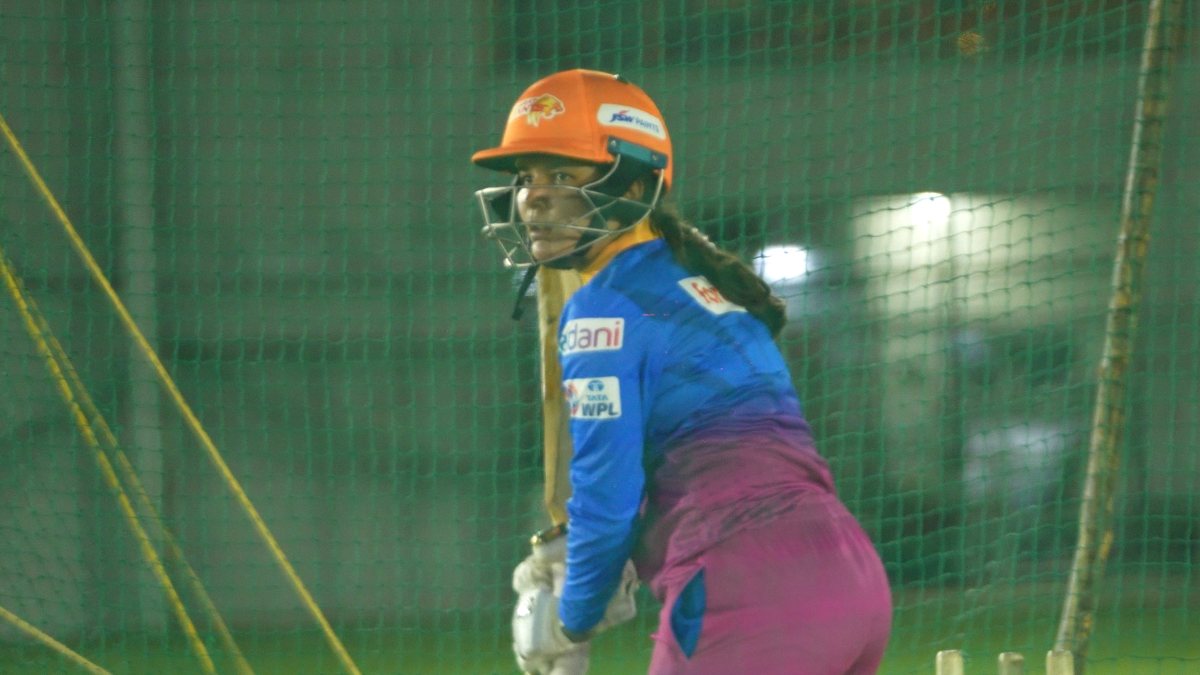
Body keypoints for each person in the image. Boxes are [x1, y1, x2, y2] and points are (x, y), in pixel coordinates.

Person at [472, 69, 893, 675]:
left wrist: (570, 618)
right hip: (852, 581)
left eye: (563, 175)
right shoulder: (697, 284)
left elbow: (607, 494)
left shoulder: (603, 305)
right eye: (526, 178)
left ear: (637, 184)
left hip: (750, 593)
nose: (534, 196)